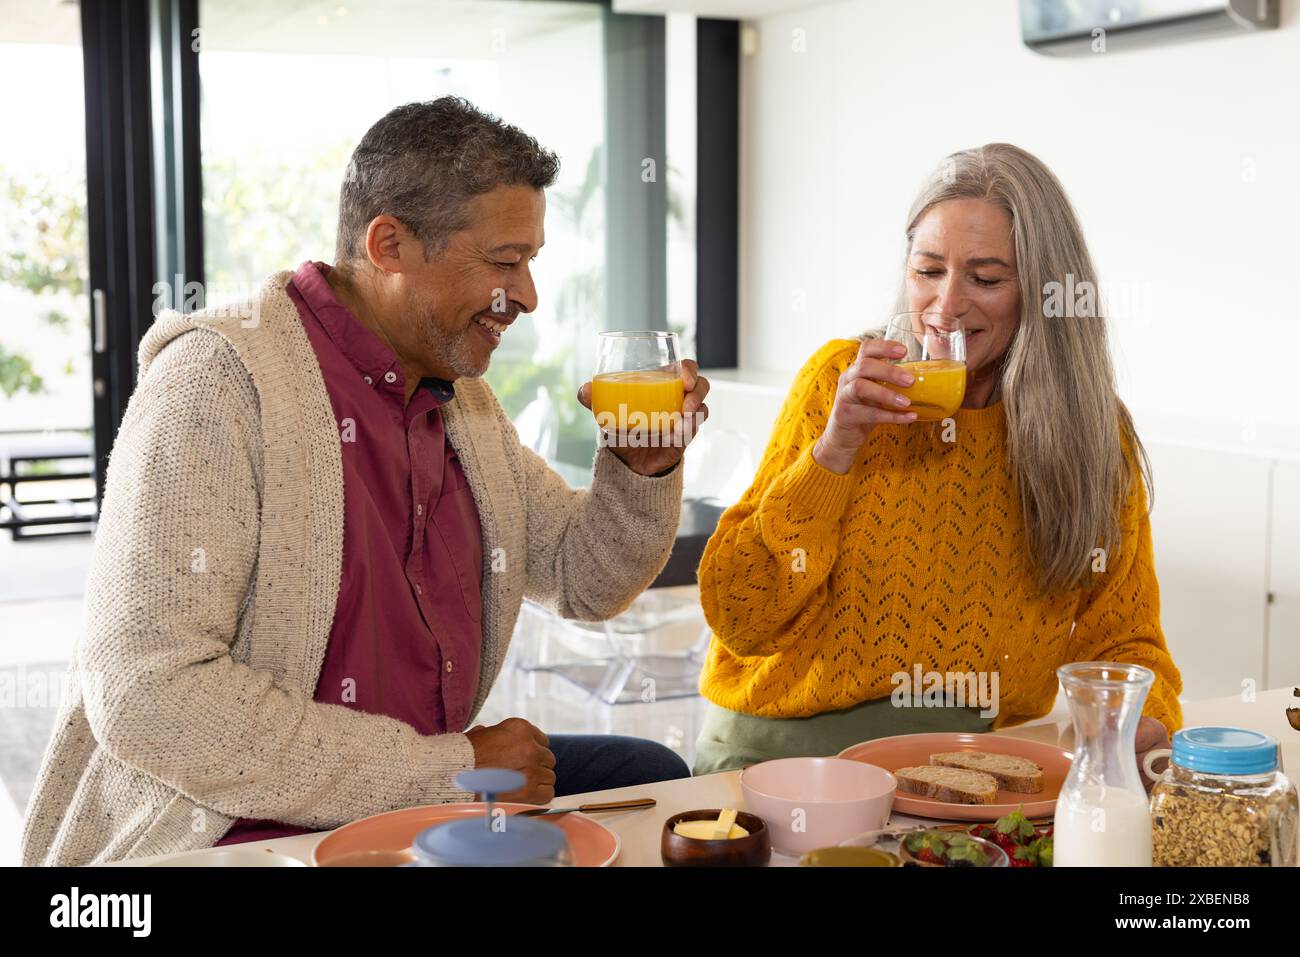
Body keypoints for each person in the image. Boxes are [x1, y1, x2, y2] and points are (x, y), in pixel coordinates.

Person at [22, 97, 709, 866]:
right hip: (229, 828)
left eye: (532, 262)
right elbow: (151, 696)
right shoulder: (216, 383)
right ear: (389, 244)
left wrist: (641, 469)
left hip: (409, 796)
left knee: (651, 775)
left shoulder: (462, 403)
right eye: (504, 261)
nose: (527, 296)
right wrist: (451, 770)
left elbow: (584, 580)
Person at [693, 143, 1180, 781]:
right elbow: (740, 615)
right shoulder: (840, 383)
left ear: (1044, 293)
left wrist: (1146, 722)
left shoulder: (1092, 433)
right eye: (928, 271)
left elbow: (1125, 642)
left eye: (985, 278)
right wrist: (831, 454)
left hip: (975, 772)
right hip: (787, 763)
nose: (946, 306)